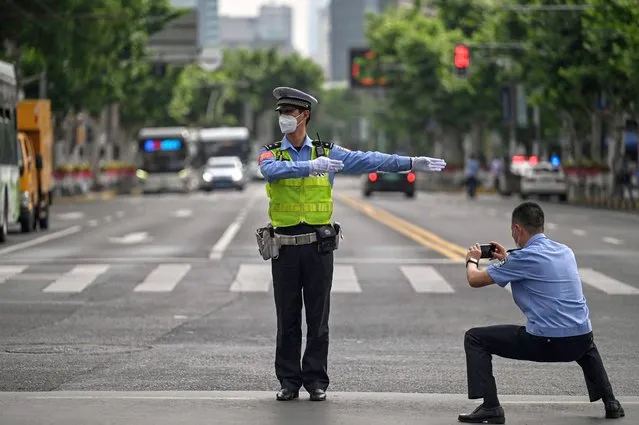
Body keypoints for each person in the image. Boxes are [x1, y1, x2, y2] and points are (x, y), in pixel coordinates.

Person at [258, 86, 446, 402]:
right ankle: (289, 382)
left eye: (289, 113)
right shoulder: (272, 152)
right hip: (285, 247)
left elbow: (368, 159)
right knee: (287, 319)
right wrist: (308, 167)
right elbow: (269, 171)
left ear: (304, 115)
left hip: (318, 247)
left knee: (318, 319)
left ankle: (316, 381)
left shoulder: (328, 151)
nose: (284, 119)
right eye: (281, 114)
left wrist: (412, 162)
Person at [458, 201, 625, 424]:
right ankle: (611, 402)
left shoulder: (521, 258)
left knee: (475, 338)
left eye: (512, 230)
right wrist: (506, 259)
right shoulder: (565, 251)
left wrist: (472, 259)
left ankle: (491, 407)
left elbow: (474, 279)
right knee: (583, 337)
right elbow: (535, 267)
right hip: (581, 341)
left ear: (517, 229)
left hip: (546, 343)